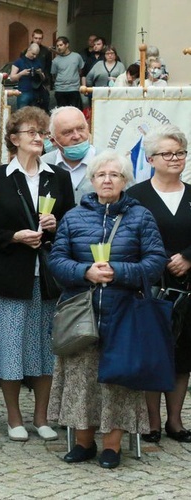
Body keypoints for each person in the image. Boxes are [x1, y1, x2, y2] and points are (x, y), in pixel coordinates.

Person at [48, 150, 166, 469]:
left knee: (118, 381)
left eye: (114, 175)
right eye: (101, 174)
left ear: (125, 181)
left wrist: (119, 271)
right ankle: (84, 443)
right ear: (92, 179)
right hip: (81, 314)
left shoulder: (140, 216)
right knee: (82, 381)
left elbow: (156, 262)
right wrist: (85, 271)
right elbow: (56, 260)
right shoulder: (74, 216)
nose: (107, 180)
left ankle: (112, 446)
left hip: (125, 313)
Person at [0, 106, 74, 442]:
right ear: (14, 138)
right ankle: (14, 418)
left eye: (41, 132)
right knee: (10, 347)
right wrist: (14, 236)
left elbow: (73, 226)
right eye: (31, 132)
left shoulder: (57, 177)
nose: (38, 137)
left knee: (45, 347)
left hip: (47, 277)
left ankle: (42, 418)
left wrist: (56, 224)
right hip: (9, 276)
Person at [126, 125, 191, 444]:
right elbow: (128, 238)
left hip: (188, 287)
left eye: (180, 153)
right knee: (154, 353)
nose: (175, 158)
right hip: (150, 286)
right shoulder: (136, 196)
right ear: (151, 159)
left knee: (183, 355)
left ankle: (175, 420)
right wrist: (162, 258)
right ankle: (151, 420)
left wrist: (189, 257)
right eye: (168, 153)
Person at [42, 106, 97, 203]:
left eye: (80, 129)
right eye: (67, 132)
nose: (76, 136)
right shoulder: (43, 165)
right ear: (53, 140)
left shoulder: (112, 162)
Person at [10, 43, 49, 112]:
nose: (34, 56)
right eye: (33, 54)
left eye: (36, 55)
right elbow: (12, 78)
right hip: (24, 91)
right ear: (28, 50)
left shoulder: (38, 62)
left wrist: (40, 74)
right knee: (22, 114)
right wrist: (21, 73)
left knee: (35, 115)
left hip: (36, 92)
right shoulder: (19, 62)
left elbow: (43, 78)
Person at [51, 37, 84, 109]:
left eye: (61, 45)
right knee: (62, 112)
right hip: (60, 90)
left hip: (73, 89)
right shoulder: (55, 61)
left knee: (74, 111)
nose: (59, 47)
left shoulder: (76, 56)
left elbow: (81, 71)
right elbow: (54, 75)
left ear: (67, 45)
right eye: (57, 46)